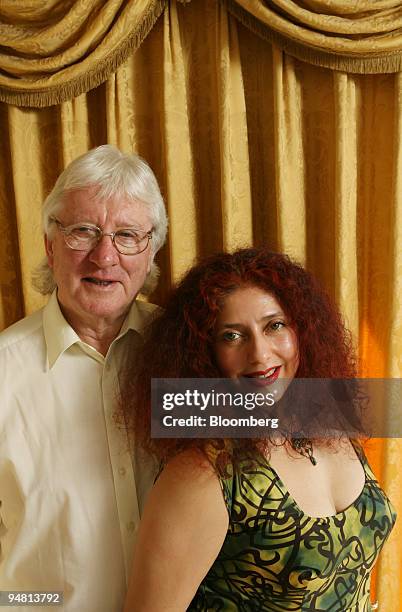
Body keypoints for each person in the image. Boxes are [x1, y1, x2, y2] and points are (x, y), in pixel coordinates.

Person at [122, 248, 396, 611]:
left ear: (303, 330)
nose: (260, 354)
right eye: (232, 336)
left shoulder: (332, 424)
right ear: (205, 354)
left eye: (274, 326)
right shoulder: (203, 476)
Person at [0, 145, 168, 611]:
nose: (104, 256)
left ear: (151, 251)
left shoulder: (189, 354)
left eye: (127, 235)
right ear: (50, 246)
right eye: (83, 232)